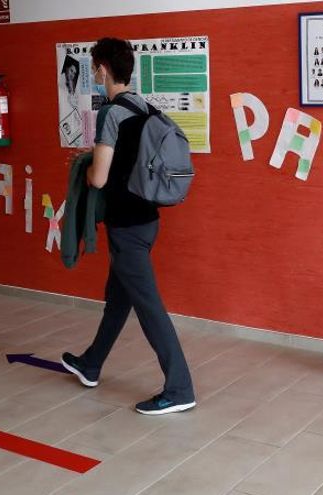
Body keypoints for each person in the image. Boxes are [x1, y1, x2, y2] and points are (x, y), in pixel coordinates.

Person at [60, 37, 196, 415]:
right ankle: (91, 364)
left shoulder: (111, 113)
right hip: (148, 220)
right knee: (118, 299)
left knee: (149, 307)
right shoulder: (143, 107)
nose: (92, 74)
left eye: (92, 68)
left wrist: (83, 167)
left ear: (102, 69)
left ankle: (180, 388)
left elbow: (99, 178)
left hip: (126, 227)